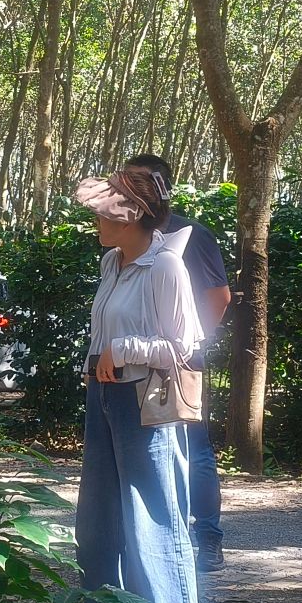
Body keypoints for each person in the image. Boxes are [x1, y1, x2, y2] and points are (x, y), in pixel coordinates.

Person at [74, 168, 204, 603]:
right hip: (103, 396)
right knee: (97, 519)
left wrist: (123, 348)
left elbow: (185, 347)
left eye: (104, 213)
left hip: (144, 401)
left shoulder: (166, 266)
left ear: (131, 217)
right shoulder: (112, 261)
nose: (97, 221)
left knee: (153, 517)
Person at [123, 152, 232, 572]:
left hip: (179, 362)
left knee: (194, 449)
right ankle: (158, 542)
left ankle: (208, 539)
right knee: (148, 452)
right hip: (133, 361)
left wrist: (187, 344)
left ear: (160, 187)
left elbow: (218, 298)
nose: (126, 190)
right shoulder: (124, 235)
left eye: (136, 182)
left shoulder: (190, 234)